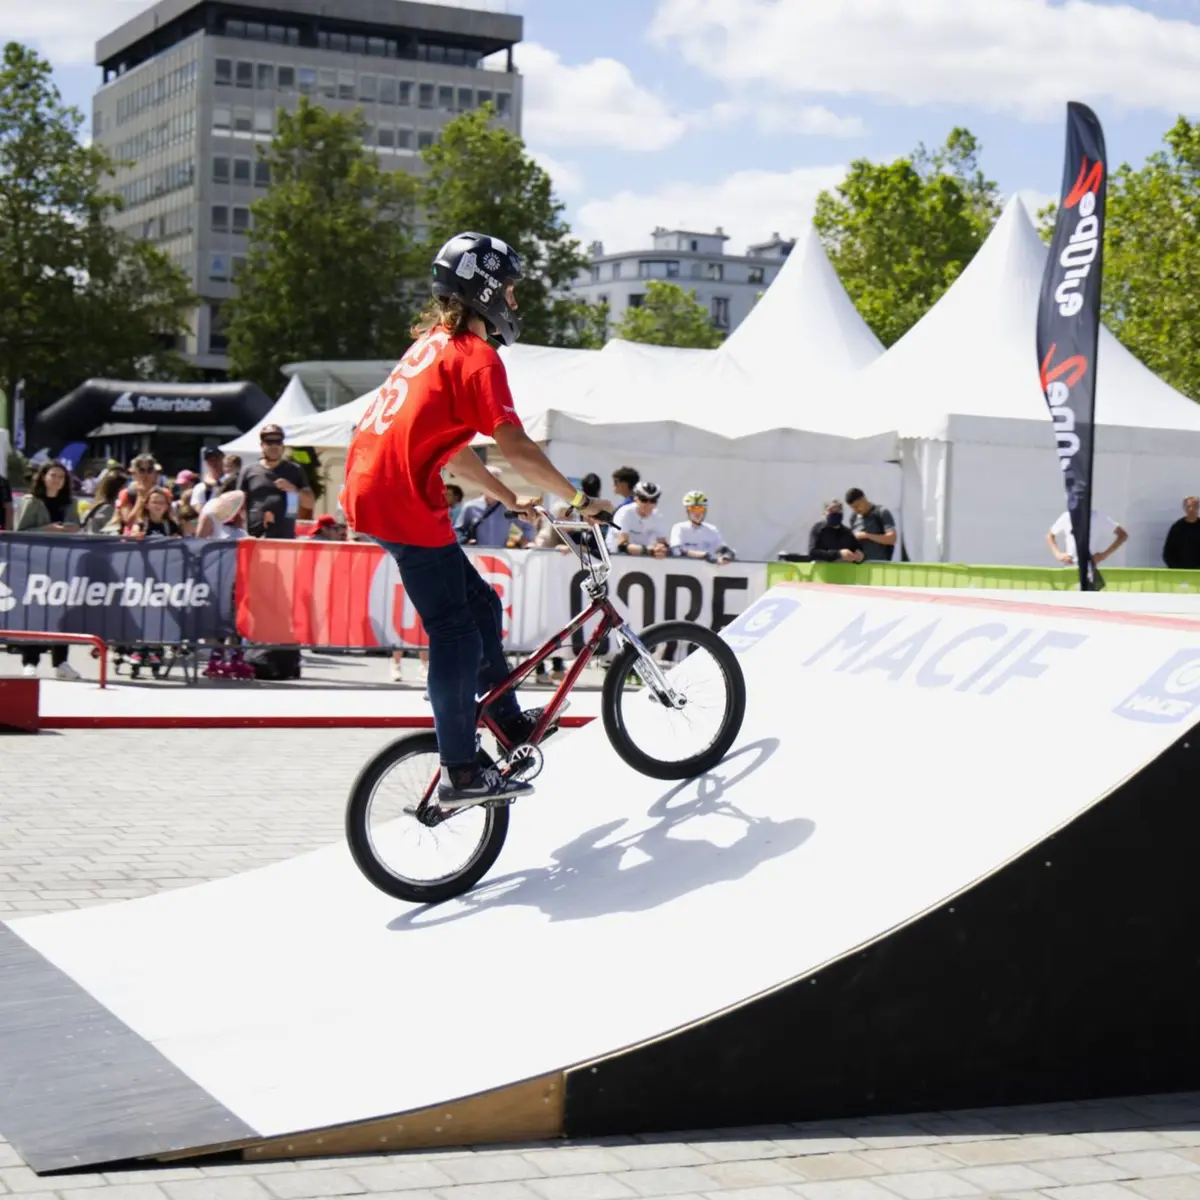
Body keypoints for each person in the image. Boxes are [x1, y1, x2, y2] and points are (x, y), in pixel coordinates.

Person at [341, 230, 609, 809]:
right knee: (455, 632)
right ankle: (460, 770)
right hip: (400, 499)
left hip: (377, 489)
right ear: (484, 290)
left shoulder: (433, 344)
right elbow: (517, 446)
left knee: (482, 604)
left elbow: (455, 450)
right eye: (509, 290)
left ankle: (508, 722)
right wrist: (579, 500)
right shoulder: (477, 357)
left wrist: (506, 497)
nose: (514, 301)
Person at [13, 462, 82, 679]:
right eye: (53, 475)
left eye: (61, 477)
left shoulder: (70, 503)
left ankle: (61, 661)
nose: (57, 480)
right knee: (34, 612)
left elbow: (76, 527)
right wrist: (47, 529)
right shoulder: (31, 501)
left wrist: (73, 529)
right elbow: (20, 532)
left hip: (62, 562)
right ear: (43, 477)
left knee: (62, 614)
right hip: (35, 564)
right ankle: (30, 661)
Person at [237, 425, 313, 539]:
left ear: (283, 446)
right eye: (269, 442)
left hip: (284, 538)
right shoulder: (248, 471)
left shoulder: (294, 470)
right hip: (254, 537)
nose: (274, 446)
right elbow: (238, 505)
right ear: (262, 445)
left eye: (278, 442)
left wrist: (293, 489)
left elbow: (309, 503)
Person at [669, 490, 736, 564]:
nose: (697, 513)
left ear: (705, 511)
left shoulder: (712, 530)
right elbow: (676, 551)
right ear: (687, 511)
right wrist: (702, 555)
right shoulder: (679, 528)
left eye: (700, 509)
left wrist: (726, 557)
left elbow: (724, 549)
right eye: (693, 509)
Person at [1046, 507, 1127, 568]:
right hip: (1070, 566)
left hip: (1089, 567)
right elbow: (1050, 535)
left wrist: (1103, 556)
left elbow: (1123, 535)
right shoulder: (1067, 516)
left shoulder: (1098, 517)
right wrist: (1058, 554)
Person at [607, 480, 669, 557]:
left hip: (644, 557)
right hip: (616, 556)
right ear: (636, 499)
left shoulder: (657, 516)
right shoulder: (624, 513)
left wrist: (661, 549)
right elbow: (622, 545)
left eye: (653, 501)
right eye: (644, 500)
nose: (648, 504)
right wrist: (649, 551)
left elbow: (663, 543)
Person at [845, 487, 897, 562]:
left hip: (879, 565)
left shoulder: (881, 512)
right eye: (853, 508)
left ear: (864, 499)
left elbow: (892, 538)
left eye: (857, 506)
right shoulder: (853, 517)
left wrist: (866, 535)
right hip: (859, 566)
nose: (856, 510)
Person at [808, 498, 866, 563]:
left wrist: (860, 556)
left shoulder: (847, 532)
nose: (835, 512)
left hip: (845, 569)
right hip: (823, 568)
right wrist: (838, 554)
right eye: (831, 510)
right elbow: (813, 552)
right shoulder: (818, 529)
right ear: (824, 513)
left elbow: (859, 551)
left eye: (838, 510)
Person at [1163, 496, 1200, 570]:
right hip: (1179, 571)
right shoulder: (1177, 527)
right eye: (1189, 506)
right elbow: (1168, 552)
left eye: (1194, 506)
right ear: (1184, 508)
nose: (1191, 509)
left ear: (1198, 507)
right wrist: (1176, 569)